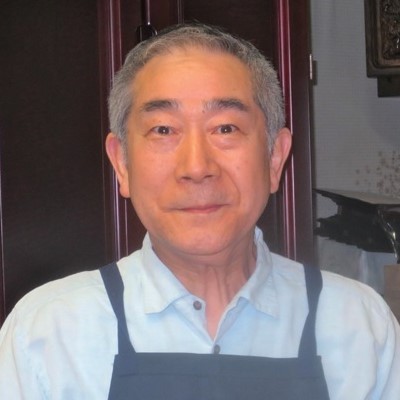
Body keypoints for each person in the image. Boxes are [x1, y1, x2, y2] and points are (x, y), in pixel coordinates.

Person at [0, 23, 399, 400]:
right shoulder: (48, 334)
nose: (196, 167)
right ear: (121, 164)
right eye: (163, 130)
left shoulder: (360, 328)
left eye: (225, 128)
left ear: (275, 158)